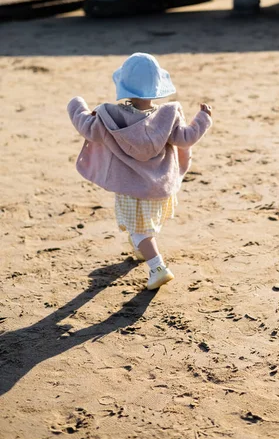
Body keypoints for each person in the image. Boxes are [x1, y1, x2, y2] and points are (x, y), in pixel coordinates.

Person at [67, 53, 212, 290]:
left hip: (129, 189)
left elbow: (87, 128)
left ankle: (157, 267)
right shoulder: (167, 116)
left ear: (124, 86)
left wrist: (76, 105)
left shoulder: (109, 118)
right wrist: (203, 118)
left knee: (138, 230)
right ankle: (141, 251)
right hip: (158, 186)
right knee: (146, 225)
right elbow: (187, 138)